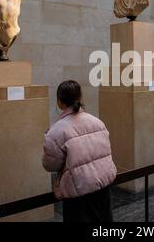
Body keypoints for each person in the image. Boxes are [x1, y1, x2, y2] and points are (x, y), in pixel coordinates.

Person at [42, 80, 117, 222]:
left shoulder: (56, 130)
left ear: (59, 102)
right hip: (102, 186)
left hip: (78, 192)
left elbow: (50, 165)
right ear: (80, 98)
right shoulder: (97, 121)